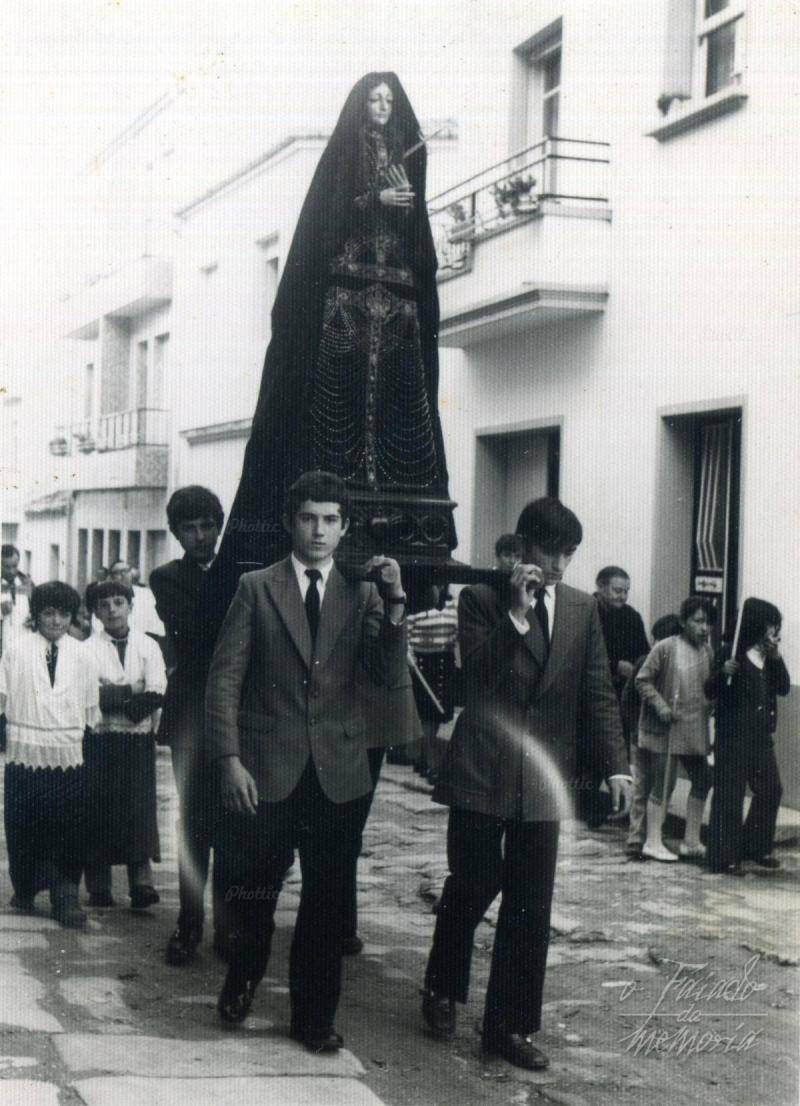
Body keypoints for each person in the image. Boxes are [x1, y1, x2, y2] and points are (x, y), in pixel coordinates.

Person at [214, 72, 454, 592]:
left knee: (395, 400)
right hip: (345, 295)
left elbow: (417, 231)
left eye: (389, 99)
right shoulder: (344, 155)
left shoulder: (407, 154)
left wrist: (405, 211)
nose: (383, 106)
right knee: (336, 396)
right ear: (361, 104)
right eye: (375, 98)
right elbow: (324, 222)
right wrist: (373, 201)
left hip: (396, 298)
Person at [421, 498, 631, 1071]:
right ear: (521, 549)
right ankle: (442, 987)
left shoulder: (583, 608)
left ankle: (508, 1026)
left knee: (531, 904)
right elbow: (475, 679)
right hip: (483, 767)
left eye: (569, 554)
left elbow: (598, 693)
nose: (559, 565)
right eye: (550, 552)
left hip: (542, 778)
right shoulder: (481, 598)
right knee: (472, 883)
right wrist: (515, 615)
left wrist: (617, 765)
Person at [205, 471, 410, 1052]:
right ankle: (244, 975)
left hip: (337, 772)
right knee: (255, 890)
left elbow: (384, 674)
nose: (318, 531)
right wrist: (229, 760)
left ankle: (313, 1018)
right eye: (308, 518)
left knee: (326, 901)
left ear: (344, 528)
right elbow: (224, 681)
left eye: (330, 520)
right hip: (266, 769)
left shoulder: (363, 593)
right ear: (290, 523)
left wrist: (396, 601)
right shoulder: (256, 587)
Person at [150, 486, 231, 965]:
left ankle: (229, 925)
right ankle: (189, 923)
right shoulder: (166, 578)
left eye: (207, 526)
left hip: (241, 715)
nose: (200, 536)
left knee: (237, 823)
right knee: (194, 821)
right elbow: (196, 634)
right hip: (191, 719)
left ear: (219, 526)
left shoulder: (244, 571)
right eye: (189, 528)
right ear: (176, 533)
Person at [0, 582, 99, 928]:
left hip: (68, 752)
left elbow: (90, 706)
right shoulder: (16, 649)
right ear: (36, 614)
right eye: (48, 613)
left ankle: (66, 893)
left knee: (67, 823)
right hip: (24, 749)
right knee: (23, 822)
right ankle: (26, 887)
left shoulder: (83, 654)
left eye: (63, 614)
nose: (56, 621)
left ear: (72, 616)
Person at [83, 580, 166, 909]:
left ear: (131, 606)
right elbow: (89, 695)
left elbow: (157, 689)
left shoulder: (149, 646)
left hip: (137, 740)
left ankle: (141, 884)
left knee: (138, 808)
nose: (112, 610)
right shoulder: (86, 649)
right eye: (104, 605)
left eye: (119, 602)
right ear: (95, 612)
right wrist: (132, 688)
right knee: (97, 808)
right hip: (98, 740)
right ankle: (99, 887)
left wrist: (119, 699)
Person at [705, 599, 789, 875]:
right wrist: (723, 673)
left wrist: (776, 658)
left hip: (761, 736)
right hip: (732, 735)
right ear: (756, 625)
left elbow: (784, 688)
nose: (774, 631)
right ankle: (724, 856)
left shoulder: (769, 658)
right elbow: (710, 690)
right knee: (730, 794)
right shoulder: (730, 652)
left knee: (771, 788)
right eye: (770, 625)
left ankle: (756, 846)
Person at [634, 597, 715, 863]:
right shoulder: (666, 647)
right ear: (683, 621)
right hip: (668, 727)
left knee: (703, 779)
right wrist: (661, 706)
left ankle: (691, 841)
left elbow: (709, 688)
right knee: (664, 783)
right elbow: (642, 680)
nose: (704, 628)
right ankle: (652, 841)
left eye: (708, 623)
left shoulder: (708, 651)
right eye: (698, 621)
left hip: (695, 728)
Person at [580, 566, 650, 827]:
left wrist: (636, 669)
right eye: (617, 590)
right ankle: (586, 807)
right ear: (600, 586)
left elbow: (643, 653)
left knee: (614, 749)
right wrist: (614, 666)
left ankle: (613, 806)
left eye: (626, 591)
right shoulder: (585, 611)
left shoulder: (632, 617)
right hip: (587, 695)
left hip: (621, 697)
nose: (622, 596)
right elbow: (578, 654)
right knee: (587, 753)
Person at [621, 614, 682, 858]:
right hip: (652, 736)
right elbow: (629, 698)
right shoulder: (654, 663)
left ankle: (641, 836)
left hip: (648, 735)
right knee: (657, 787)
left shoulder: (647, 661)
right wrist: (634, 729)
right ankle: (643, 836)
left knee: (647, 787)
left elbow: (627, 699)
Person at [406, 584, 458, 782]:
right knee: (427, 716)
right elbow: (406, 637)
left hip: (445, 663)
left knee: (439, 715)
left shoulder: (453, 606)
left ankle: (423, 760)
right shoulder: (417, 606)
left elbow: (458, 633)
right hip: (424, 666)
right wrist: (410, 659)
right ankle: (430, 764)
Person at [108, 560, 166, 641]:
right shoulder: (106, 597)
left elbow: (156, 621)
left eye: (126, 571)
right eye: (118, 572)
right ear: (111, 577)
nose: (123, 575)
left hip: (147, 640)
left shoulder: (146, 594)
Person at [1, 544, 33, 653]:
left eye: (14, 566)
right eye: (6, 567)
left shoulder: (27, 583)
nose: (11, 571)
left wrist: (34, 619)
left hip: (23, 644)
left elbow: (37, 608)